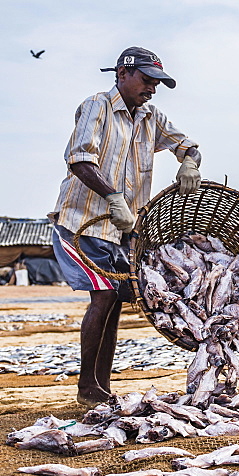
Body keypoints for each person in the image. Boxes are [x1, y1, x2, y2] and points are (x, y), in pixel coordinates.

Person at [50, 47, 201, 408]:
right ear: (122, 74)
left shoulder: (152, 116)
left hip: (122, 231)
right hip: (81, 223)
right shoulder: (97, 106)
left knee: (115, 301)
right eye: (146, 80)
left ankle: (101, 385)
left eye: (157, 83)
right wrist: (114, 197)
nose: (152, 88)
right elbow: (79, 159)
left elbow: (188, 145)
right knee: (103, 296)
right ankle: (87, 386)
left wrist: (189, 163)